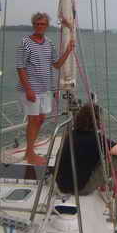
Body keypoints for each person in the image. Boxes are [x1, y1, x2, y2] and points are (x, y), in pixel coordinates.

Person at [16, 12, 75, 165]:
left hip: (45, 89)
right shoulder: (25, 42)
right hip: (31, 89)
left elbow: (56, 64)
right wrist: (28, 89)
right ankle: (29, 153)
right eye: (37, 24)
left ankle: (30, 151)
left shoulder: (49, 43)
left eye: (42, 24)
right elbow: (20, 67)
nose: (39, 26)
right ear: (33, 25)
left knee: (40, 119)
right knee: (33, 119)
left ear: (47, 26)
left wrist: (68, 50)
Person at [56, 104, 117, 196]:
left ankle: (104, 186)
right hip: (80, 189)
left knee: (102, 153)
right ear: (97, 121)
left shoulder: (70, 134)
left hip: (61, 185)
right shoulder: (96, 139)